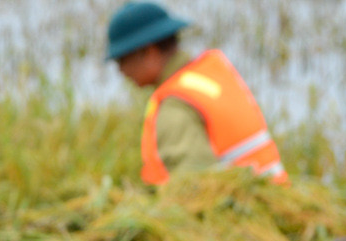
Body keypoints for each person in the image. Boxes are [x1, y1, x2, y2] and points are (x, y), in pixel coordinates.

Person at [106, 2, 287, 187]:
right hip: (272, 195)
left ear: (148, 52)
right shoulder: (207, 76)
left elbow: (195, 189)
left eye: (122, 60)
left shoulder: (176, 105)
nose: (121, 71)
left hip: (244, 201)